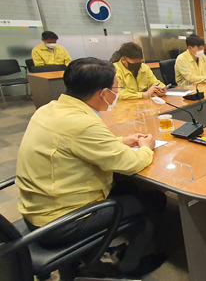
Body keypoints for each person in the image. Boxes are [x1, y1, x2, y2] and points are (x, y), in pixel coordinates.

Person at [15, 57, 166, 276]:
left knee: (128, 188)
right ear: (104, 93)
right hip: (62, 223)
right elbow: (131, 163)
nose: (116, 93)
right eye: (116, 88)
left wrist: (121, 142)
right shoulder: (83, 123)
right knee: (154, 199)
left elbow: (75, 145)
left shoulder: (48, 109)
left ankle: (95, 251)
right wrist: (146, 147)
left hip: (37, 208)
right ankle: (130, 266)